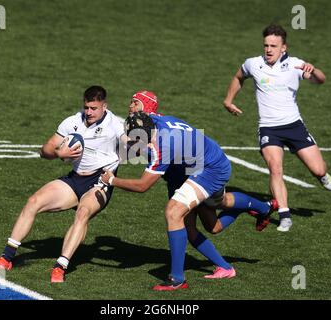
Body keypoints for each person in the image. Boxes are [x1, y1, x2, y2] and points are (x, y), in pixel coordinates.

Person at [101, 97, 277, 291]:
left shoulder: (163, 147)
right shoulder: (152, 120)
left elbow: (143, 185)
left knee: (174, 213)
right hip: (186, 169)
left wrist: (111, 180)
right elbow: (141, 130)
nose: (137, 145)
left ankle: (177, 279)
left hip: (210, 168)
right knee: (210, 226)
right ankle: (228, 263)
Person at [0, 85, 126, 283]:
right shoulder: (73, 121)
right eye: (86, 107)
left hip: (99, 182)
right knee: (34, 201)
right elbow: (45, 149)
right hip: (75, 179)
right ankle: (6, 259)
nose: (89, 112)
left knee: (82, 213)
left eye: (94, 108)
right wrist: (59, 153)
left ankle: (60, 267)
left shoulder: (116, 125)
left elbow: (134, 147)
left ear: (104, 106)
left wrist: (143, 144)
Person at [223, 24, 331, 232]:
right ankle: (284, 215)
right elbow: (239, 77)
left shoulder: (295, 65)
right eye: (266, 45)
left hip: (294, 126)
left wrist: (314, 70)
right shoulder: (253, 64)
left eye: (273, 46)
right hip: (268, 128)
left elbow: (321, 80)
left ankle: (321, 176)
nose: (268, 49)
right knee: (275, 168)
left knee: (318, 168)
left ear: (284, 47)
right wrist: (228, 100)